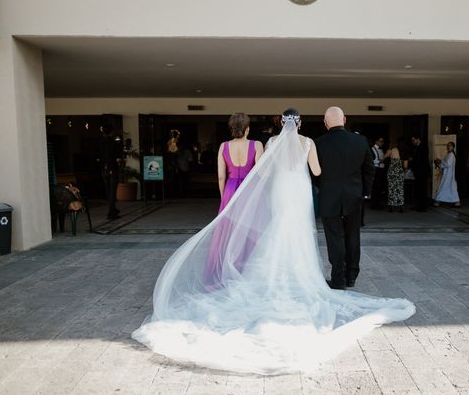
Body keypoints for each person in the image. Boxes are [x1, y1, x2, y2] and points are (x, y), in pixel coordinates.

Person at [132, 107, 415, 375]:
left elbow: (264, 172)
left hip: (281, 190)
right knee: (300, 232)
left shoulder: (271, 143)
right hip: (300, 191)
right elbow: (316, 172)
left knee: (278, 229)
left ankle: (274, 271)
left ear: (282, 122)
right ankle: (305, 272)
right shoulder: (307, 143)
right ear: (300, 123)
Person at [315, 107, 375, 289]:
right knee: (353, 236)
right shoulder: (360, 141)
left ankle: (338, 278)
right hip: (354, 196)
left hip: (329, 196)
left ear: (325, 123)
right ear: (345, 119)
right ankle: (351, 276)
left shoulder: (318, 143)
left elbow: (314, 173)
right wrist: (365, 191)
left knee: (335, 238)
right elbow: (369, 169)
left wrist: (323, 187)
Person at [217, 113, 263, 213]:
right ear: (247, 128)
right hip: (250, 189)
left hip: (230, 190)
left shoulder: (223, 146)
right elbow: (260, 173)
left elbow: (221, 177)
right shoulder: (257, 145)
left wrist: (223, 197)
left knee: (231, 226)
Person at [99, 126, 123, 220]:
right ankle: (111, 213)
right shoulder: (111, 142)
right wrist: (110, 168)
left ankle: (112, 208)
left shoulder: (100, 142)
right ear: (111, 132)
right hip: (111, 168)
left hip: (103, 169)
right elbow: (111, 156)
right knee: (112, 191)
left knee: (108, 191)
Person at [433, 142, 460, 207]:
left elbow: (447, 164)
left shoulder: (451, 155)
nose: (448, 147)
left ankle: (438, 201)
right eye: (447, 146)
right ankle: (456, 202)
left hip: (449, 175)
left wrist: (440, 163)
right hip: (447, 174)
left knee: (443, 187)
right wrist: (440, 163)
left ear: (453, 147)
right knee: (451, 188)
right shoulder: (449, 154)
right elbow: (445, 163)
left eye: (450, 146)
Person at [384, 139, 406, 212]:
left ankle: (391, 207)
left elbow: (384, 157)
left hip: (392, 170)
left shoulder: (393, 149)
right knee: (400, 189)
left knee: (391, 188)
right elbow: (405, 166)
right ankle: (401, 207)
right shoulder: (403, 152)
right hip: (400, 171)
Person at [410, 135, 430, 212]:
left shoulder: (423, 147)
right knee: (419, 189)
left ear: (418, 139)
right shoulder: (418, 147)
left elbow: (420, 159)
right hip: (419, 171)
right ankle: (419, 205)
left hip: (422, 172)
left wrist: (413, 159)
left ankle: (422, 206)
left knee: (422, 189)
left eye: (413, 140)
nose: (412, 142)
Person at [370, 136, 386, 209]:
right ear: (376, 141)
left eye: (382, 141)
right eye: (381, 141)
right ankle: (374, 205)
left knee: (379, 188)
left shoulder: (381, 149)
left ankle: (378, 204)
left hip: (381, 170)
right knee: (375, 188)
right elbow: (370, 161)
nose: (382, 143)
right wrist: (379, 161)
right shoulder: (372, 149)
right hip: (376, 170)